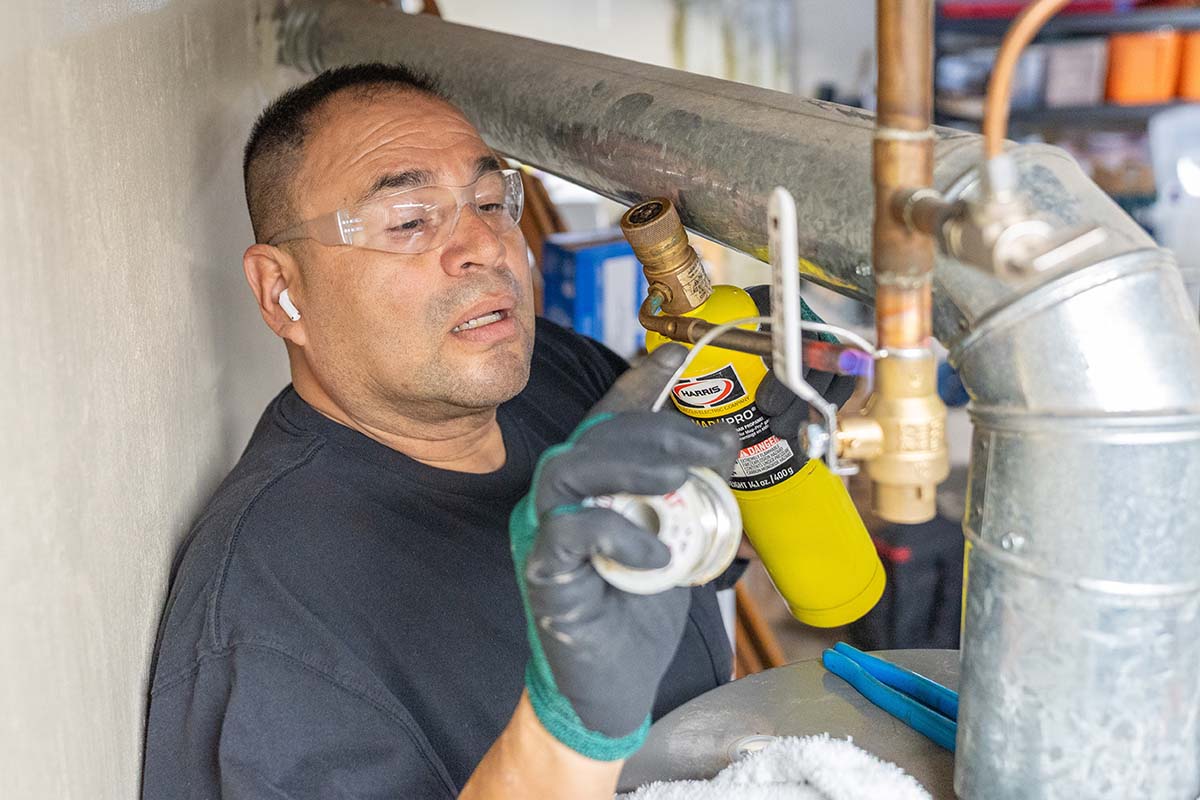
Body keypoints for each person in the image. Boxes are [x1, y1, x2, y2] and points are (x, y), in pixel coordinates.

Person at [142, 63, 847, 799]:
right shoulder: (270, 624)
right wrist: (565, 732)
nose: (484, 245)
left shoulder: (557, 375)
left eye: (488, 200)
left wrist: (746, 449)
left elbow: (695, 551)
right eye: (410, 220)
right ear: (280, 291)